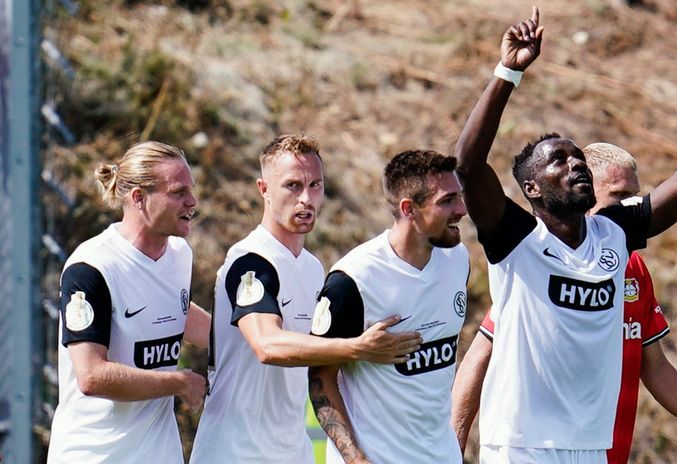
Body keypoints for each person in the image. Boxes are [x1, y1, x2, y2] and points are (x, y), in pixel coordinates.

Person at [454, 7, 677, 464]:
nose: (574, 163)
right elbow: (469, 165)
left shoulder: (613, 233)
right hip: (522, 445)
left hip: (593, 446)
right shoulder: (515, 240)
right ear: (531, 188)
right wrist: (507, 71)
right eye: (558, 160)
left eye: (578, 158)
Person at [450, 142, 677, 463]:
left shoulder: (632, 269)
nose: (632, 203)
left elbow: (654, 364)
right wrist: (452, 446)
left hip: (600, 450)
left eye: (636, 194)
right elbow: (480, 354)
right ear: (590, 193)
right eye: (619, 195)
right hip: (536, 446)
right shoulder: (537, 263)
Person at [190, 135, 421, 464]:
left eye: (315, 185)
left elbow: (320, 367)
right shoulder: (250, 261)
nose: (307, 199)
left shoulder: (313, 268)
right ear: (263, 189)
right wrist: (358, 347)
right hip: (234, 452)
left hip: (292, 452)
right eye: (293, 186)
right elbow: (267, 345)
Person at [47, 141, 210, 464]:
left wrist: (247, 339)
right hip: (95, 456)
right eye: (178, 192)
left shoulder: (179, 254)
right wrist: (179, 382)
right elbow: (92, 375)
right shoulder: (92, 267)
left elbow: (174, 310)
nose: (192, 202)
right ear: (139, 198)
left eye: (190, 190)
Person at [308, 149, 470, 464]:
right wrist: (354, 457)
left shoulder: (458, 258)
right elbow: (319, 377)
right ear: (409, 208)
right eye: (447, 201)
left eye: (460, 197)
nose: (462, 209)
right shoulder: (353, 279)